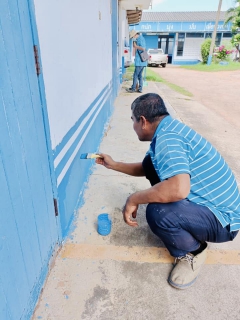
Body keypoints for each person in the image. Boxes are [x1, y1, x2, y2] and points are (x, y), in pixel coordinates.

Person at [96, 93, 240, 290]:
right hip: (215, 205)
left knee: (158, 213)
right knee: (150, 163)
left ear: (143, 121)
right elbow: (148, 168)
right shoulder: (168, 129)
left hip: (225, 221)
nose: (133, 126)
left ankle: (194, 252)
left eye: (133, 120)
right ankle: (186, 223)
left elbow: (179, 189)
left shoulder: (167, 139)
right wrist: (114, 165)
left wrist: (134, 198)